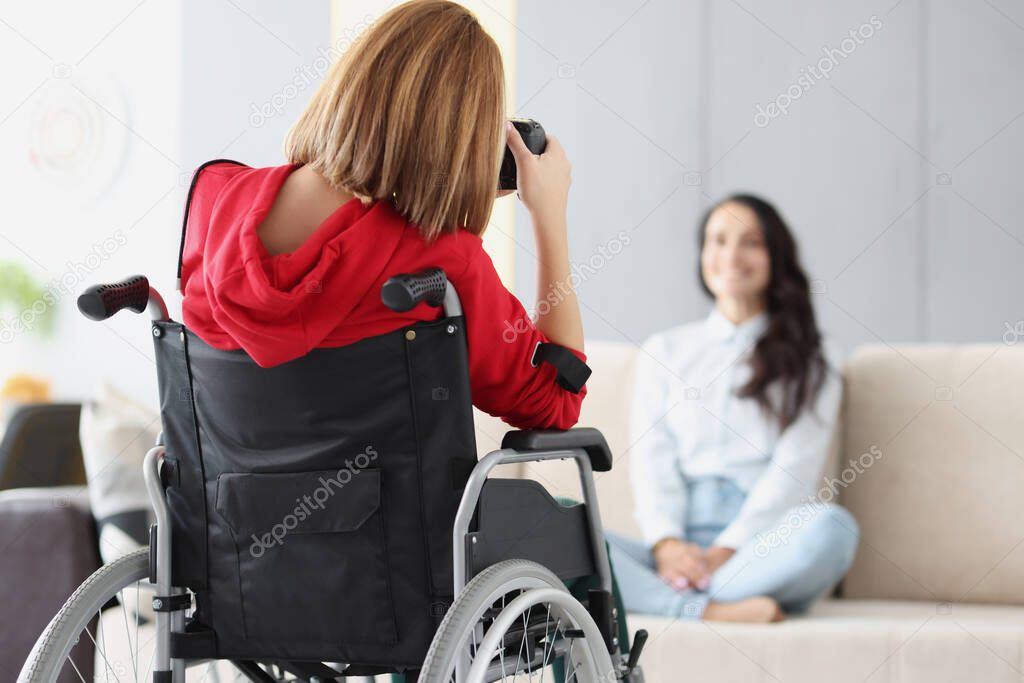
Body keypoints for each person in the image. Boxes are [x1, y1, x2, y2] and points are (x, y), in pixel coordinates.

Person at [179, 0, 586, 432]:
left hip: (221, 499)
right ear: (462, 139)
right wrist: (548, 213)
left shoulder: (212, 198)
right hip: (388, 501)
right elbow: (557, 400)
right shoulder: (444, 261)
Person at [605, 194, 859, 623]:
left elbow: (793, 473)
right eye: (718, 240)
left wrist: (724, 553)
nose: (731, 256)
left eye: (751, 242)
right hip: (677, 547)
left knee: (833, 529)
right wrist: (667, 547)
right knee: (548, 524)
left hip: (759, 545)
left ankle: (666, 595)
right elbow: (653, 463)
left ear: (776, 256)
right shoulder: (665, 350)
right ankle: (707, 609)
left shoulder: (815, 357)